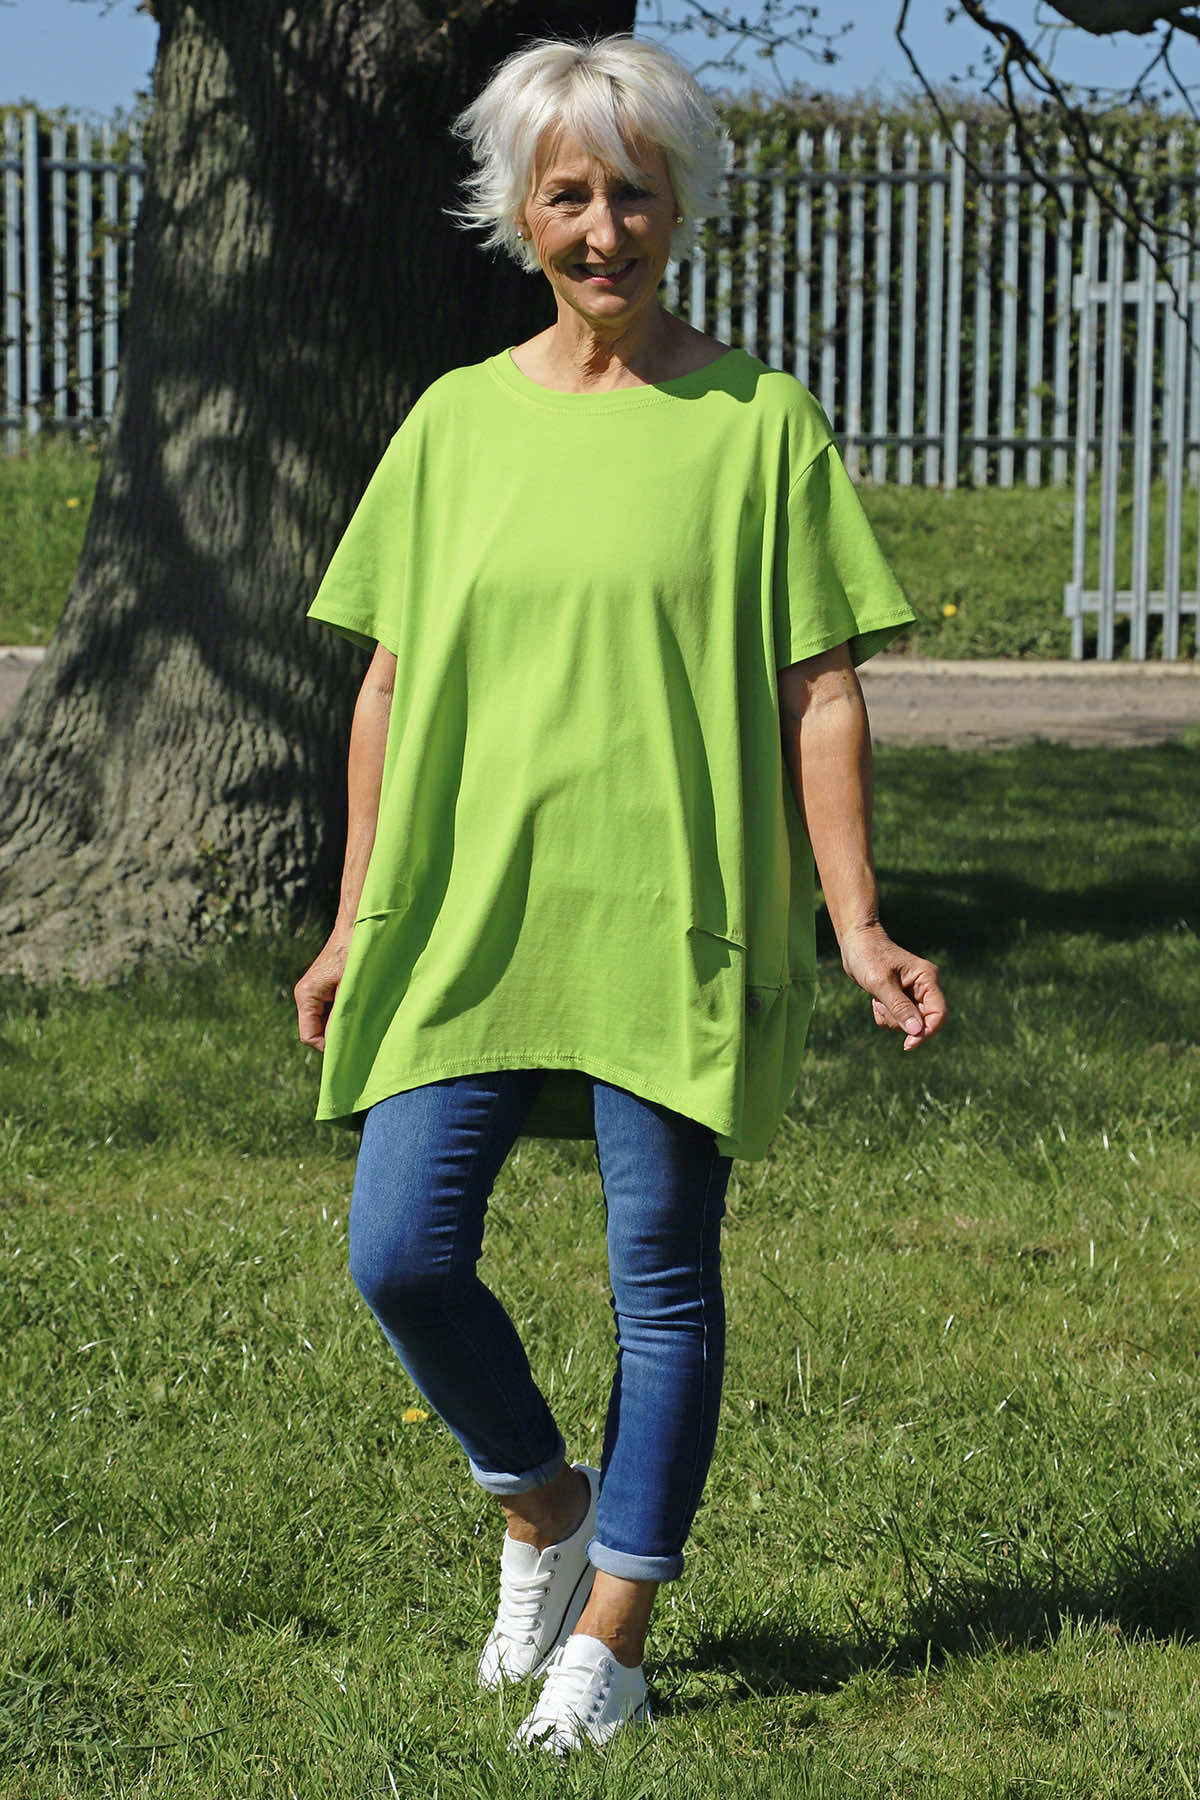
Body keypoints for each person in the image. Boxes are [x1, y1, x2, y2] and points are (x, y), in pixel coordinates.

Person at [293, 34, 947, 1754]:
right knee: (400, 1254)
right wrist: (353, 917)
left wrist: (858, 924)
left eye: (634, 194)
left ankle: (617, 1638)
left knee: (662, 1284)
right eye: (569, 195)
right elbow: (384, 684)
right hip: (464, 917)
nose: (603, 230)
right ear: (520, 212)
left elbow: (821, 690)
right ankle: (542, 1503)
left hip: (673, 919)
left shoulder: (758, 425)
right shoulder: (452, 426)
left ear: (681, 206)